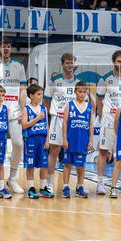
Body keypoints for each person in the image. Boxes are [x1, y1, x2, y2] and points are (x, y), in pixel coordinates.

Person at [0, 39, 28, 193]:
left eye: (8, 46)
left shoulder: (19, 66)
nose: (6, 49)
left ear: (11, 48)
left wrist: (23, 110)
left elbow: (23, 90)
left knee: (18, 144)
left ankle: (12, 179)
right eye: (3, 46)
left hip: (15, 112)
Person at [95, 50, 121, 195]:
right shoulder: (105, 78)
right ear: (113, 62)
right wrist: (101, 115)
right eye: (119, 61)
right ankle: (100, 182)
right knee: (103, 150)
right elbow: (99, 99)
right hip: (108, 120)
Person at [44, 52, 78, 196]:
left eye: (72, 62)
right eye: (67, 63)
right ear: (62, 64)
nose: (70, 65)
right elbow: (46, 102)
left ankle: (68, 186)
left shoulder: (79, 82)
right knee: (54, 152)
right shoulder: (53, 82)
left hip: (73, 121)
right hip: (57, 119)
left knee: (72, 153)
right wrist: (47, 121)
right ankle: (49, 184)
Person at [60, 81, 94, 199]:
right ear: (75, 92)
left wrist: (91, 140)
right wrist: (64, 139)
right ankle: (65, 187)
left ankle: (80, 186)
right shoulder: (69, 105)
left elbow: (91, 124)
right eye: (80, 91)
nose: (82, 94)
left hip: (83, 140)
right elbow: (64, 123)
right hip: (70, 139)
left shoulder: (89, 107)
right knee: (68, 164)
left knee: (81, 166)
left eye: (84, 92)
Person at [20, 84, 49, 199]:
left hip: (42, 139)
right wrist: (37, 119)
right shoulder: (26, 109)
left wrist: (47, 140)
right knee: (31, 165)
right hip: (31, 139)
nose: (40, 96)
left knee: (44, 165)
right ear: (31, 96)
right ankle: (31, 188)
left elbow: (47, 125)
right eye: (38, 94)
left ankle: (43, 187)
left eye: (41, 94)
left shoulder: (43, 108)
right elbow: (24, 125)